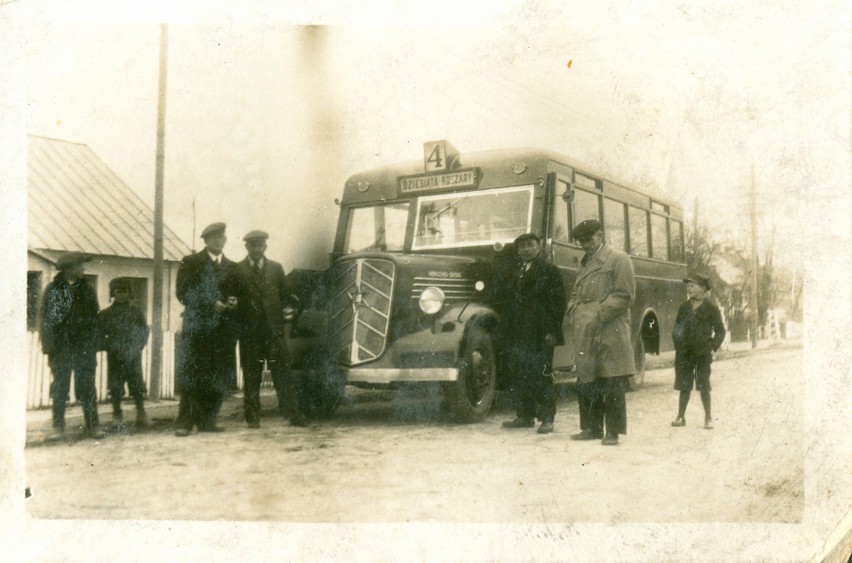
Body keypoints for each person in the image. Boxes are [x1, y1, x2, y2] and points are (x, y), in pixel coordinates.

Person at [567, 220, 636, 446]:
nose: (585, 245)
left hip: (610, 326)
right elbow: (577, 293)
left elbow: (624, 295)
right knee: (587, 377)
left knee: (612, 378)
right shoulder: (584, 263)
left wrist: (599, 315)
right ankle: (591, 428)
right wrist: (573, 308)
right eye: (582, 241)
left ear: (600, 235)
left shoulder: (619, 259)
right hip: (585, 327)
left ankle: (612, 432)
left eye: (589, 239)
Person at [173, 222, 242, 436]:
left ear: (225, 240)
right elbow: (183, 293)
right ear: (205, 240)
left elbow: (239, 292)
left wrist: (234, 300)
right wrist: (210, 303)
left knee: (217, 374)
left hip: (221, 331)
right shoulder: (191, 262)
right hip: (198, 328)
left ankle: (208, 421)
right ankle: (185, 423)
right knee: (193, 374)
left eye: (221, 237)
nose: (218, 241)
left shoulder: (233, 267)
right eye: (213, 238)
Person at [236, 230, 307, 428]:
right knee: (251, 375)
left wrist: (291, 304)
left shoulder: (276, 269)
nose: (256, 249)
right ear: (247, 247)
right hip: (250, 334)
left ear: (265, 247)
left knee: (283, 373)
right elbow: (233, 299)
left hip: (274, 332)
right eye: (252, 245)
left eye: (260, 245)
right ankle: (252, 417)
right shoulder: (238, 270)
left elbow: (285, 296)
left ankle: (292, 414)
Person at [500, 233, 566, 434]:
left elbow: (558, 303)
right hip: (519, 333)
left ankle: (547, 418)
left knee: (541, 374)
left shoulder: (549, 271)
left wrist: (552, 331)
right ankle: (525, 415)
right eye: (521, 247)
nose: (526, 249)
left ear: (539, 248)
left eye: (530, 245)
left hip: (540, 333)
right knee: (520, 372)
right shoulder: (515, 271)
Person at [40, 251, 105, 440]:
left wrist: (93, 344)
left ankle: (93, 426)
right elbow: (46, 320)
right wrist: (49, 345)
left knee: (87, 387)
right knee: (60, 388)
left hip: (83, 347)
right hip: (61, 347)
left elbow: (95, 319)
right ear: (69, 268)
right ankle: (58, 427)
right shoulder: (54, 290)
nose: (83, 268)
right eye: (80, 265)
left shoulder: (87, 289)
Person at [671, 274, 726, 429]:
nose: (689, 288)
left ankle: (708, 417)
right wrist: (679, 345)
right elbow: (676, 329)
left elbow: (720, 331)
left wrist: (712, 346)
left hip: (703, 353)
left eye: (692, 285)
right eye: (687, 285)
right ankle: (680, 417)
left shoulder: (711, 308)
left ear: (703, 288)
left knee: (704, 385)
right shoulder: (684, 308)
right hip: (684, 353)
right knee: (684, 385)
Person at [97, 277, 150, 429]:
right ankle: (117, 415)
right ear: (112, 293)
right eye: (118, 291)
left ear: (130, 293)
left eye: (125, 291)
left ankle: (141, 414)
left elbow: (143, 330)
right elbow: (100, 335)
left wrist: (138, 346)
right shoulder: (105, 314)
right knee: (115, 386)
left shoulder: (136, 312)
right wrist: (111, 346)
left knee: (137, 384)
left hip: (133, 355)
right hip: (115, 356)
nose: (122, 294)